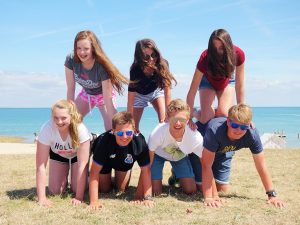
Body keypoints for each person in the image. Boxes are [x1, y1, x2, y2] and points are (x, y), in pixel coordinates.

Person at [197, 104, 284, 208]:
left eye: (243, 127)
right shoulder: (214, 130)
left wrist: (272, 195)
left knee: (223, 189)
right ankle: (180, 175)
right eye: (235, 126)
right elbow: (206, 165)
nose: (238, 130)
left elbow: (261, 166)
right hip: (200, 149)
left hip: (224, 151)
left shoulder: (252, 134)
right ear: (228, 122)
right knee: (194, 188)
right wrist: (209, 198)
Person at [65, 30, 128, 131]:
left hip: (104, 96)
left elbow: (107, 99)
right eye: (78, 48)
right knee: (70, 122)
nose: (81, 52)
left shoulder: (102, 66)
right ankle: (87, 139)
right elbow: (71, 88)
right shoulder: (71, 59)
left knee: (111, 129)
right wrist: (67, 112)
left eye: (86, 49)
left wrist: (117, 127)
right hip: (87, 93)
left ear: (93, 49)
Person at [186, 28, 245, 136]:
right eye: (214, 48)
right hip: (207, 81)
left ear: (228, 46)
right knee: (206, 119)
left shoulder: (238, 54)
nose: (218, 52)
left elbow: (240, 85)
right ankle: (197, 110)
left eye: (221, 48)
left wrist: (244, 113)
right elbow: (192, 89)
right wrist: (189, 116)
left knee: (223, 114)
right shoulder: (205, 57)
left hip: (227, 80)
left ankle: (219, 109)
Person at [89, 111, 153, 210]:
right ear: (113, 130)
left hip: (123, 160)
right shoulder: (104, 140)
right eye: (119, 133)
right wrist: (94, 201)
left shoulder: (139, 141)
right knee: (104, 189)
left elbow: (146, 170)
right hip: (105, 160)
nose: (124, 137)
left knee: (121, 189)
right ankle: (94, 138)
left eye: (128, 132)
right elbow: (94, 172)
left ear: (134, 130)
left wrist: (143, 197)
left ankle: (118, 175)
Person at [36, 100, 91, 207]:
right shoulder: (47, 129)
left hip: (77, 155)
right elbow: (40, 166)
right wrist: (41, 198)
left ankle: (90, 178)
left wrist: (79, 197)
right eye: (56, 118)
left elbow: (82, 165)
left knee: (77, 188)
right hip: (59, 154)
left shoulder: (80, 129)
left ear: (71, 116)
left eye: (64, 118)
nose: (59, 122)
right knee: (55, 191)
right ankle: (63, 179)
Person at [148, 99, 203, 195]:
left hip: (179, 157)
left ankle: (176, 175)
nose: (178, 123)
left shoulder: (195, 136)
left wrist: (212, 196)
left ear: (188, 118)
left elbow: (206, 165)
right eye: (174, 119)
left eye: (182, 120)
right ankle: (168, 177)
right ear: (168, 118)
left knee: (190, 191)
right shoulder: (158, 132)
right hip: (157, 155)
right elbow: (147, 165)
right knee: (155, 192)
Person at [127, 38, 177, 132]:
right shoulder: (135, 69)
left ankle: (165, 145)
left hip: (156, 92)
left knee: (164, 122)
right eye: (146, 57)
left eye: (153, 55)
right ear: (140, 57)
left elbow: (167, 91)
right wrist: (128, 118)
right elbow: (131, 98)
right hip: (139, 95)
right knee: (133, 127)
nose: (151, 59)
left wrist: (168, 112)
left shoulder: (163, 64)